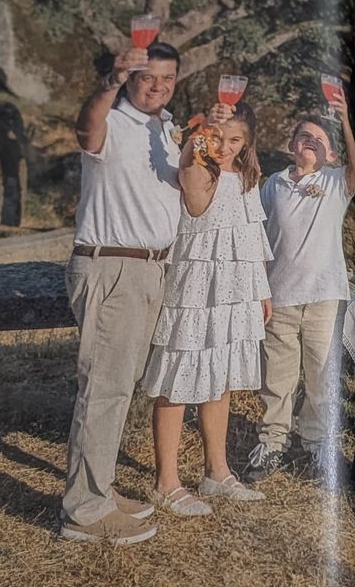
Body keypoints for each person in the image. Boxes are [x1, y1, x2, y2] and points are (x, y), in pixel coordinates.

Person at [61, 39, 201, 544]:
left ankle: (98, 488)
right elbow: (85, 128)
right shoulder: (112, 119)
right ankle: (85, 512)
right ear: (130, 78)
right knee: (103, 388)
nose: (158, 86)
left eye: (167, 78)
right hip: (113, 267)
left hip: (150, 271)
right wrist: (110, 82)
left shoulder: (165, 128)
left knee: (118, 388)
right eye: (148, 77)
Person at [140, 105, 271, 513]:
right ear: (205, 137)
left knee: (221, 377)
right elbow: (195, 200)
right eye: (218, 138)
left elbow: (252, 238)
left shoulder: (248, 177)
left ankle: (216, 472)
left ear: (247, 142)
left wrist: (260, 291)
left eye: (234, 140)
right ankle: (167, 481)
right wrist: (196, 144)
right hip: (196, 292)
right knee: (178, 379)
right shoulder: (199, 171)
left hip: (235, 293)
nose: (225, 147)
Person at [248, 94, 355, 481]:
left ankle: (316, 446)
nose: (311, 141)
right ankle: (272, 442)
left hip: (325, 295)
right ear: (291, 145)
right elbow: (261, 240)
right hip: (279, 295)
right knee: (277, 375)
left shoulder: (334, 181)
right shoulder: (273, 185)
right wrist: (260, 289)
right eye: (304, 136)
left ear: (330, 154)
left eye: (319, 139)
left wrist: (343, 119)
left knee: (321, 373)